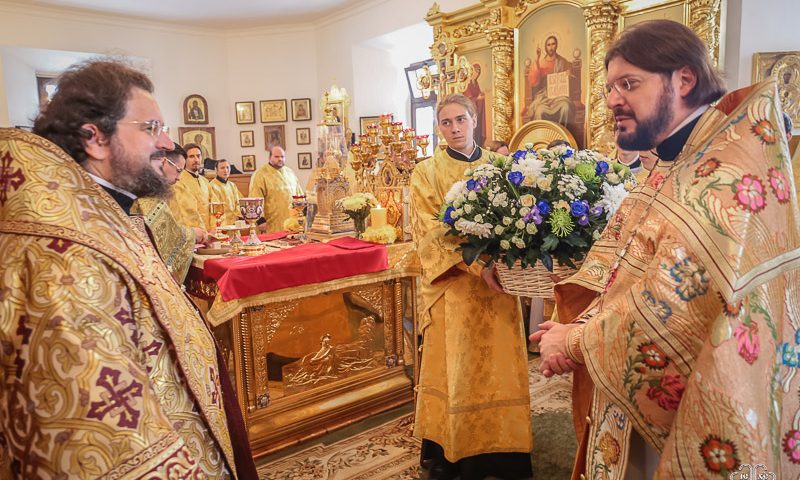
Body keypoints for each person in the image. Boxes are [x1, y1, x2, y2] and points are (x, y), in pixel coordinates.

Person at [532, 20, 799, 479]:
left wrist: (573, 342)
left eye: (629, 84)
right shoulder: (679, 159)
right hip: (640, 387)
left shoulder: (725, 174)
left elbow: (675, 303)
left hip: (698, 403)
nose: (612, 99)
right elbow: (622, 265)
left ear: (684, 80)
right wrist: (576, 325)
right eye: (610, 87)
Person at [1, 60, 256, 478]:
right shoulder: (66, 256)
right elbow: (102, 437)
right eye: (151, 128)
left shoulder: (105, 217)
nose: (166, 143)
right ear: (95, 139)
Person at [410, 93, 532, 480]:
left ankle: (504, 454)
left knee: (500, 366)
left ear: (474, 120)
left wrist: (510, 257)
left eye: (460, 120)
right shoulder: (425, 173)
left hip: (500, 288)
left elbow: (522, 218)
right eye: (446, 123)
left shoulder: (500, 167)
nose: (454, 128)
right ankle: (452, 454)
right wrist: (479, 266)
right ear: (438, 128)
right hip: (456, 289)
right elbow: (429, 232)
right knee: (457, 369)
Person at [134, 145, 205, 282]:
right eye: (178, 170)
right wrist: (193, 234)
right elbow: (165, 234)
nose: (179, 178)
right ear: (163, 161)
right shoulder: (147, 192)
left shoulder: (151, 188)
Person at [249, 146, 304, 233]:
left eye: (282, 156)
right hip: (270, 224)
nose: (280, 159)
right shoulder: (260, 174)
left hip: (291, 223)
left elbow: (299, 195)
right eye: (276, 157)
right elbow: (254, 198)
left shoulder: (290, 173)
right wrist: (260, 220)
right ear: (270, 157)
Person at [523, 35, 574, 124]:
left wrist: (569, 75)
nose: (551, 47)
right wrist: (537, 59)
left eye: (553, 44)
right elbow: (533, 82)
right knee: (539, 111)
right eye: (548, 45)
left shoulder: (562, 62)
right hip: (544, 98)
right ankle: (541, 133)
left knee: (565, 107)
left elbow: (571, 77)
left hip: (559, 97)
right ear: (545, 47)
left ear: (556, 45)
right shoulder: (541, 63)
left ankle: (563, 131)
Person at [171, 142, 213, 231]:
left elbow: (213, 206)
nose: (196, 160)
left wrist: (213, 228)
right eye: (191, 156)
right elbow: (185, 212)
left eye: (198, 156)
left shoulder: (205, 182)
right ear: (184, 159)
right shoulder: (178, 181)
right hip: (193, 231)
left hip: (209, 230)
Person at [209, 158, 242, 225]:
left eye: (227, 167)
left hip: (235, 222)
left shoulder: (232, 185)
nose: (226, 170)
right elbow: (216, 208)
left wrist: (237, 216)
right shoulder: (212, 186)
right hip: (221, 223)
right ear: (216, 170)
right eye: (222, 168)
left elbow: (238, 203)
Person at [463, 63, 486, 146]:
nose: (478, 74)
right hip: (470, 112)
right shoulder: (468, 84)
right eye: (476, 71)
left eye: (479, 72)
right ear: (472, 72)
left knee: (478, 129)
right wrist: (477, 99)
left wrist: (481, 97)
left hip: (477, 111)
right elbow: (466, 99)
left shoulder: (476, 83)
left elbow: (478, 95)